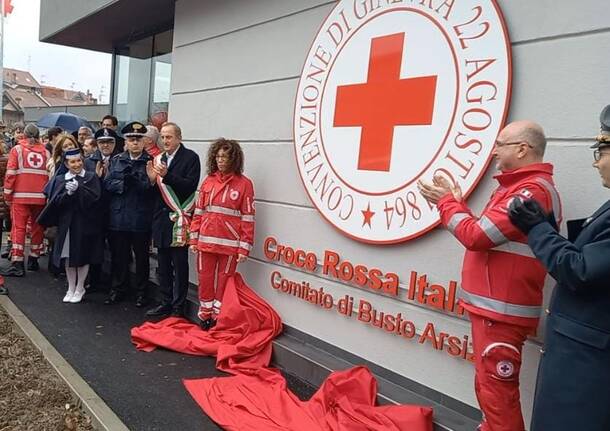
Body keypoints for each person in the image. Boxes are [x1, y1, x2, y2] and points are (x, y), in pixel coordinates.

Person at [418, 121, 562, 431]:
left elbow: (476, 236)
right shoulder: (516, 188)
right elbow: (486, 234)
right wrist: (456, 204)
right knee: (489, 390)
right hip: (495, 312)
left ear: (523, 149)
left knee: (498, 396)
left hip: (502, 313)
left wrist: (447, 202)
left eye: (501, 144)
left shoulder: (530, 191)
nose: (494, 150)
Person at [508, 106, 610, 431]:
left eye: (602, 150)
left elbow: (579, 270)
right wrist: (546, 226)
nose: (596, 161)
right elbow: (588, 254)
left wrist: (537, 229)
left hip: (587, 367)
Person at [189, 138, 255, 330]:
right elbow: (199, 211)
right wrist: (194, 237)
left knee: (225, 281)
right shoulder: (208, 181)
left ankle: (219, 316)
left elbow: (248, 217)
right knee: (205, 279)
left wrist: (244, 247)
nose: (220, 160)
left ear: (233, 159)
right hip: (205, 242)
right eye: (217, 156)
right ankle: (205, 315)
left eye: (225, 157)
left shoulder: (244, 184)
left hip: (229, 243)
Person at [145, 122, 200, 318]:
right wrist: (151, 181)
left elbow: (189, 186)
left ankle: (178, 306)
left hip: (179, 218)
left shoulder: (191, 158)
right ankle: (165, 301)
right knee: (163, 265)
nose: (165, 141)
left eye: (169, 137)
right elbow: (153, 194)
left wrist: (168, 176)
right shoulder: (158, 159)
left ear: (179, 138)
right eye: (163, 137)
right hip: (161, 219)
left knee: (179, 265)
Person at [38, 148, 103, 303]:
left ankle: (80, 286)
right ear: (66, 164)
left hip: (84, 223)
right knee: (67, 256)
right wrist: (67, 194)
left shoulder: (90, 177)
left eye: (79, 160)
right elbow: (55, 203)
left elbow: (96, 199)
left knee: (82, 255)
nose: (77, 164)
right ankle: (70, 287)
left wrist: (79, 190)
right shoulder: (61, 179)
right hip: (66, 224)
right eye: (72, 162)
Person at [103, 121, 154, 306]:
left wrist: (140, 182)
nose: (134, 143)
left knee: (141, 258)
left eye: (138, 139)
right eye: (131, 139)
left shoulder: (150, 161)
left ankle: (142, 293)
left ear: (144, 142)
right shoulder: (117, 160)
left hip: (140, 218)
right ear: (125, 141)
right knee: (119, 257)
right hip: (120, 217)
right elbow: (107, 184)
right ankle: (118, 289)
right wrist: (122, 184)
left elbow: (153, 189)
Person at [0, 124, 50, 277]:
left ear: (24, 135)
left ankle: (17, 261)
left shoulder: (17, 150)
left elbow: (11, 175)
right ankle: (34, 259)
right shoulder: (46, 152)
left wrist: (7, 195)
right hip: (40, 197)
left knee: (19, 229)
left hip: (20, 196)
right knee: (37, 228)